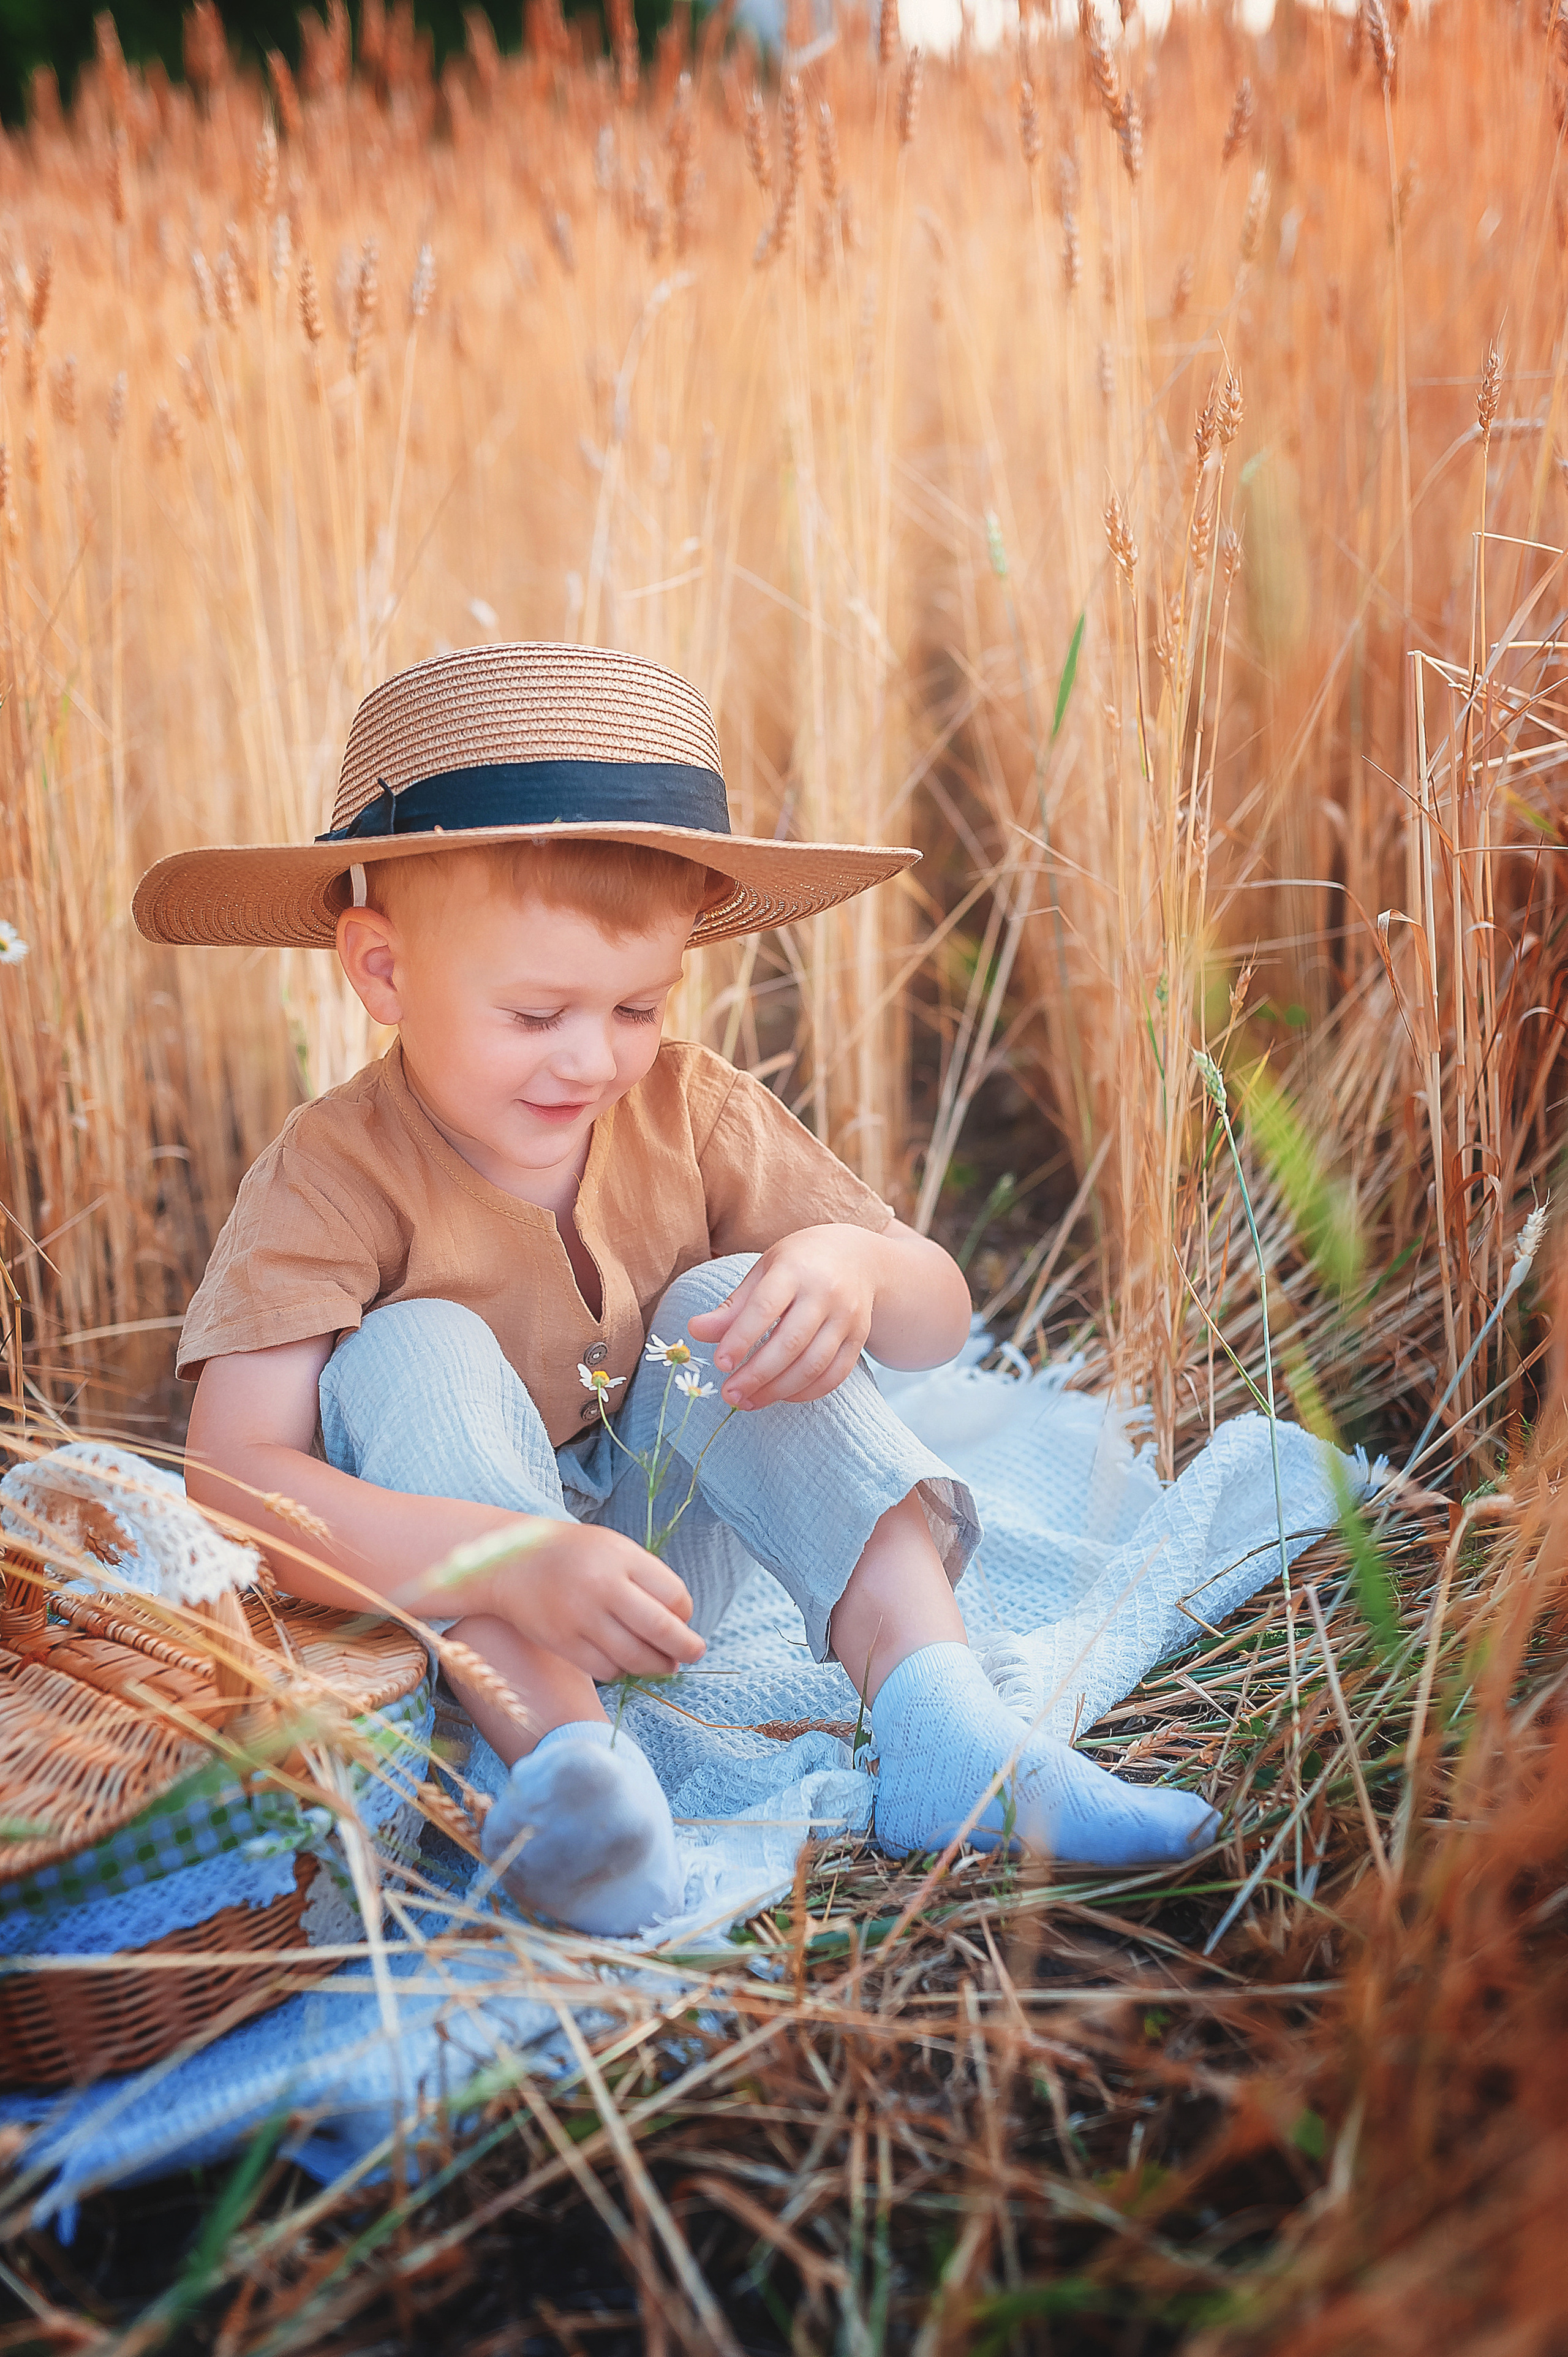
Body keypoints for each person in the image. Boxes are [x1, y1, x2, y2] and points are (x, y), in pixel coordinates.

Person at [135, 642, 1215, 1936]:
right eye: (536, 1014)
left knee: (736, 1288)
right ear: (382, 971)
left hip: (673, 1573)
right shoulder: (327, 1170)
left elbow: (938, 1318)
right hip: (475, 1592)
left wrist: (846, 1268)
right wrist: (506, 1556)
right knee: (408, 1343)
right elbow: (234, 1479)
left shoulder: (690, 1106)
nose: (592, 1058)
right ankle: (575, 1780)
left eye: (637, 1004)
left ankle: (945, 1727)